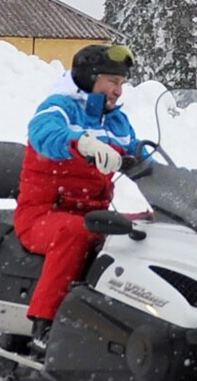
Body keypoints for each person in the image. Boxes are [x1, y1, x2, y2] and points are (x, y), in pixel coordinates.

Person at [14, 44, 138, 355]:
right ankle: (46, 323)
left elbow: (143, 156)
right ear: (90, 77)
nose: (118, 91)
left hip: (95, 215)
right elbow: (44, 135)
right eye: (112, 81)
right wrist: (79, 143)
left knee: (143, 232)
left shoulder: (116, 123)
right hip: (42, 215)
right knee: (75, 233)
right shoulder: (58, 108)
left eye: (122, 83)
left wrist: (188, 180)